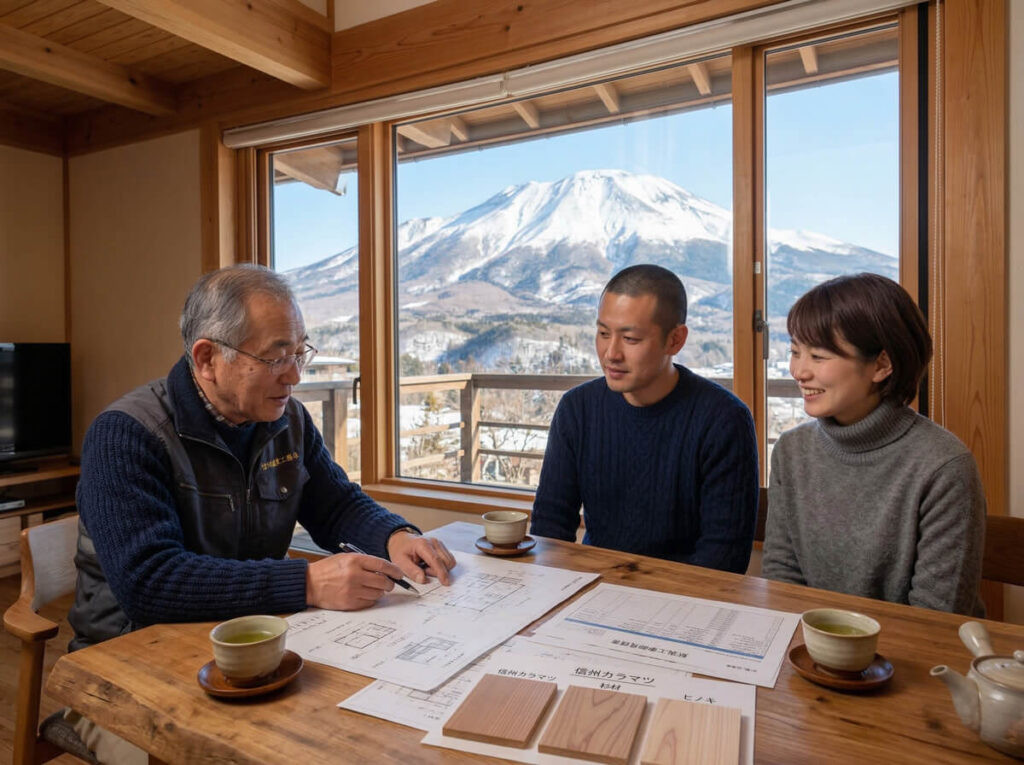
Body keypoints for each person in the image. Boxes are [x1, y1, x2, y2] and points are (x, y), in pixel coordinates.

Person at [70, 264, 456, 654]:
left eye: (299, 354)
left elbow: (335, 505)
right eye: (276, 359)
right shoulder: (125, 434)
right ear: (207, 359)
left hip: (249, 633)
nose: (294, 377)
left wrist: (394, 537)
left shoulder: (288, 420)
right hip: (131, 650)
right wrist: (307, 584)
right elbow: (148, 581)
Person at [761, 273, 985, 616]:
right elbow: (782, 579)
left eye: (818, 356)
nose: (799, 372)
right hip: (810, 643)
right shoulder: (792, 451)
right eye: (795, 352)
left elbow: (935, 618)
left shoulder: (943, 466)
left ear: (882, 364)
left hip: (914, 647)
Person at [529, 264, 759, 572]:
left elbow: (724, 560)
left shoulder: (724, 420)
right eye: (603, 333)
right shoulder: (577, 409)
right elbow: (550, 528)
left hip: (685, 595)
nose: (611, 353)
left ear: (675, 340)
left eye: (630, 339)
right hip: (593, 586)